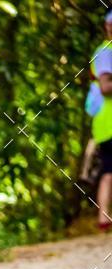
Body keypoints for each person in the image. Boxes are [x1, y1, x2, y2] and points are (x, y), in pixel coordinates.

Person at [86, 10, 112, 230]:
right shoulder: (105, 52)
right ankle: (103, 218)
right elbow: (105, 87)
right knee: (109, 171)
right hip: (108, 122)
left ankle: (104, 218)